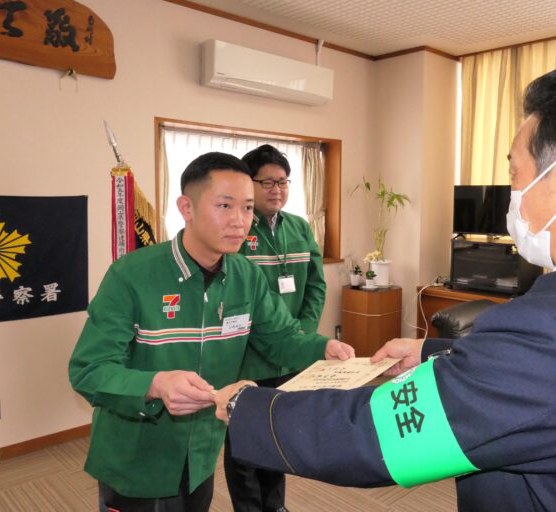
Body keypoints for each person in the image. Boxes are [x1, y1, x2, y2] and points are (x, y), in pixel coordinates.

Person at [213, 62, 556, 512]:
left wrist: (250, 408)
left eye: (516, 174)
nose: (514, 196)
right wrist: (430, 351)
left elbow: (380, 437)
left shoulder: (553, 326)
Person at [68, 152, 354, 512]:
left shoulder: (245, 276)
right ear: (186, 207)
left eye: (248, 208)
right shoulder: (131, 275)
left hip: (202, 453)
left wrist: (325, 348)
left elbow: (282, 339)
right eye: (224, 205)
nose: (240, 221)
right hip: (135, 458)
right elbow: (89, 369)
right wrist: (154, 385)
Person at [223, 144, 326, 512]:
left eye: (282, 182)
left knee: (277, 432)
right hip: (247, 356)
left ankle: (275, 505)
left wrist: (301, 332)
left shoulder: (298, 227)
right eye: (267, 182)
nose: (276, 190)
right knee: (243, 436)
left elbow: (316, 284)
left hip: (289, 353)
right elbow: (230, 295)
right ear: (249, 185)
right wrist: (270, 338)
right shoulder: (235, 229)